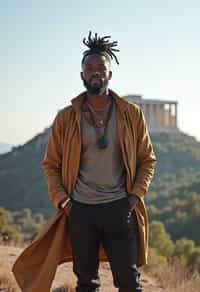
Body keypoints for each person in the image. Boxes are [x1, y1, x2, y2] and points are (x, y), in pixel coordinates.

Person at [43, 31, 157, 292]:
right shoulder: (66, 118)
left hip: (120, 207)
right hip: (80, 210)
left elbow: (147, 159)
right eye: (89, 68)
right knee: (86, 283)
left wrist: (134, 197)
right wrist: (64, 201)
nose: (95, 72)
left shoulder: (131, 114)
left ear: (110, 74)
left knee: (129, 282)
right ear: (82, 75)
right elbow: (50, 164)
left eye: (101, 67)